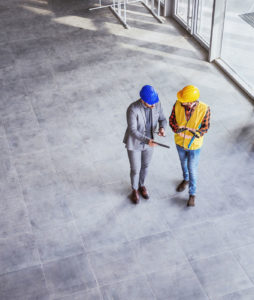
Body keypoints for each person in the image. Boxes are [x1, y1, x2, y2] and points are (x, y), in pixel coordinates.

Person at [123, 85, 167, 204]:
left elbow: (162, 119)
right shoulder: (132, 109)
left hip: (150, 142)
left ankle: (142, 185)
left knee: (145, 165)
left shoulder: (156, 103)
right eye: (150, 104)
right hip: (135, 143)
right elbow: (133, 130)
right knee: (136, 169)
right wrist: (147, 140)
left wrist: (162, 128)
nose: (153, 106)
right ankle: (135, 189)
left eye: (154, 103)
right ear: (142, 100)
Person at [169, 85, 210, 207]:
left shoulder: (204, 108)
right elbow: (171, 120)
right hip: (180, 142)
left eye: (184, 101)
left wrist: (199, 133)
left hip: (194, 146)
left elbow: (205, 127)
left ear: (192, 101)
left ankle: (192, 194)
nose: (181, 102)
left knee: (192, 169)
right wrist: (176, 128)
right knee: (183, 164)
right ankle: (185, 179)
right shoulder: (177, 104)